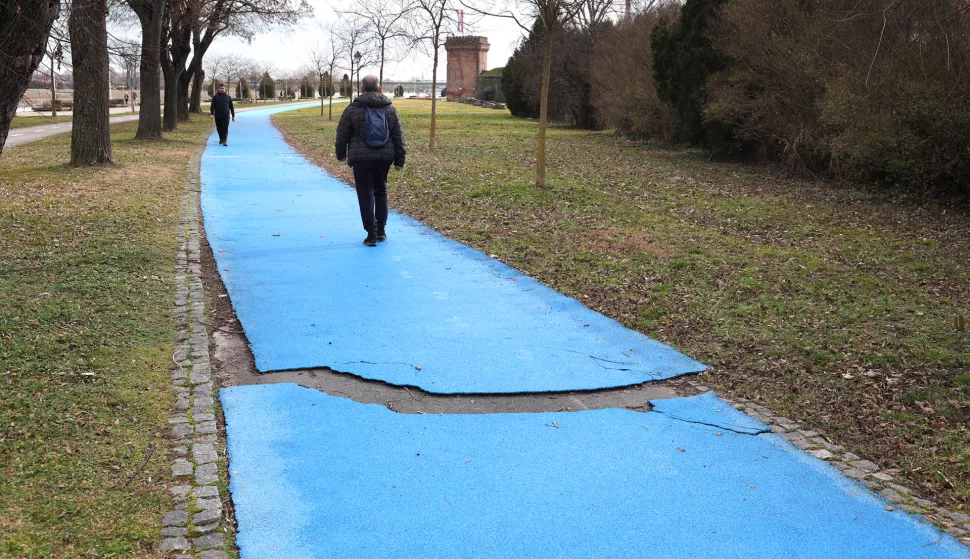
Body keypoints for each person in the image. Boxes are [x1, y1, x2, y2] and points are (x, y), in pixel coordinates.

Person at [335, 74, 406, 247]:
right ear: (379, 88)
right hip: (384, 157)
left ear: (361, 89)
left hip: (361, 158)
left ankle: (371, 233)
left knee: (365, 192)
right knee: (380, 190)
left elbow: (342, 134)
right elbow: (398, 136)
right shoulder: (390, 109)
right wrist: (399, 159)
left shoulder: (352, 109)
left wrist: (340, 154)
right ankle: (381, 230)